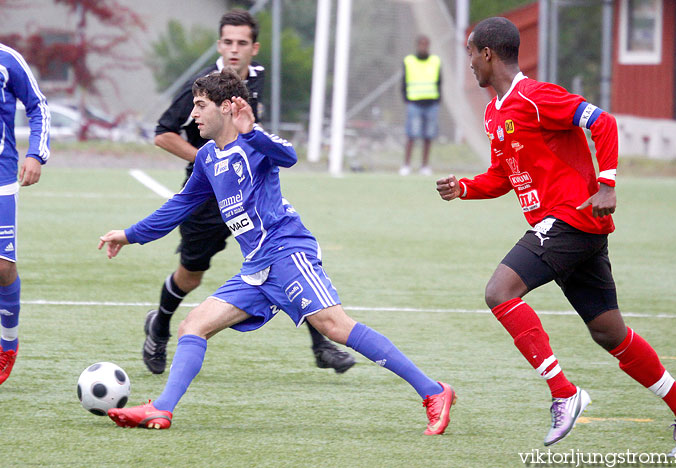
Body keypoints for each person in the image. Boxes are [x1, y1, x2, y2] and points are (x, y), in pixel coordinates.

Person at [98, 67, 456, 433]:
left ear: (225, 108)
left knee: (333, 325)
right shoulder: (207, 158)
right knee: (194, 325)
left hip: (287, 252)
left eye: (200, 105)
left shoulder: (253, 142)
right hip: (256, 267)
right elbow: (178, 207)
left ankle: (433, 391)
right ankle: (162, 409)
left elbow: (288, 156)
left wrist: (251, 130)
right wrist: (128, 235)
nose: (193, 114)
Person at [436, 17, 676, 455]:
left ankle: (563, 392)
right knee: (608, 332)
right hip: (570, 228)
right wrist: (463, 188)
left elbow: (604, 123)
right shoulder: (493, 113)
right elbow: (504, 177)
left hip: (570, 219)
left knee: (500, 292)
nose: (468, 64)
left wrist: (608, 183)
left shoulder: (536, 97)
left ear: (487, 54)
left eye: (470, 54)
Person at [148, 9, 355, 375]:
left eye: (241, 43)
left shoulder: (254, 82)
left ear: (253, 48)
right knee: (190, 274)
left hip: (253, 193)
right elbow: (163, 133)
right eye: (227, 42)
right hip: (207, 197)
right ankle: (160, 325)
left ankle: (322, 346)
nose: (234, 49)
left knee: (286, 256)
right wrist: (214, 165)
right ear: (219, 45)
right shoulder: (202, 86)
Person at [0, 43, 50, 385]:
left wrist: (36, 153)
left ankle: (7, 343)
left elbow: (38, 106)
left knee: (2, 267)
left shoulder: (8, 59)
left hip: (1, 177)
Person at [400, 34, 441, 177]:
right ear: (417, 46)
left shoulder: (435, 61)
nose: (423, 47)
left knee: (428, 135)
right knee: (412, 134)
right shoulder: (409, 61)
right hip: (414, 103)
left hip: (431, 103)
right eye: (421, 44)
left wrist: (437, 99)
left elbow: (439, 81)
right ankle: (406, 165)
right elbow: (404, 81)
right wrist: (406, 98)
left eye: (426, 44)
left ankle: (424, 166)